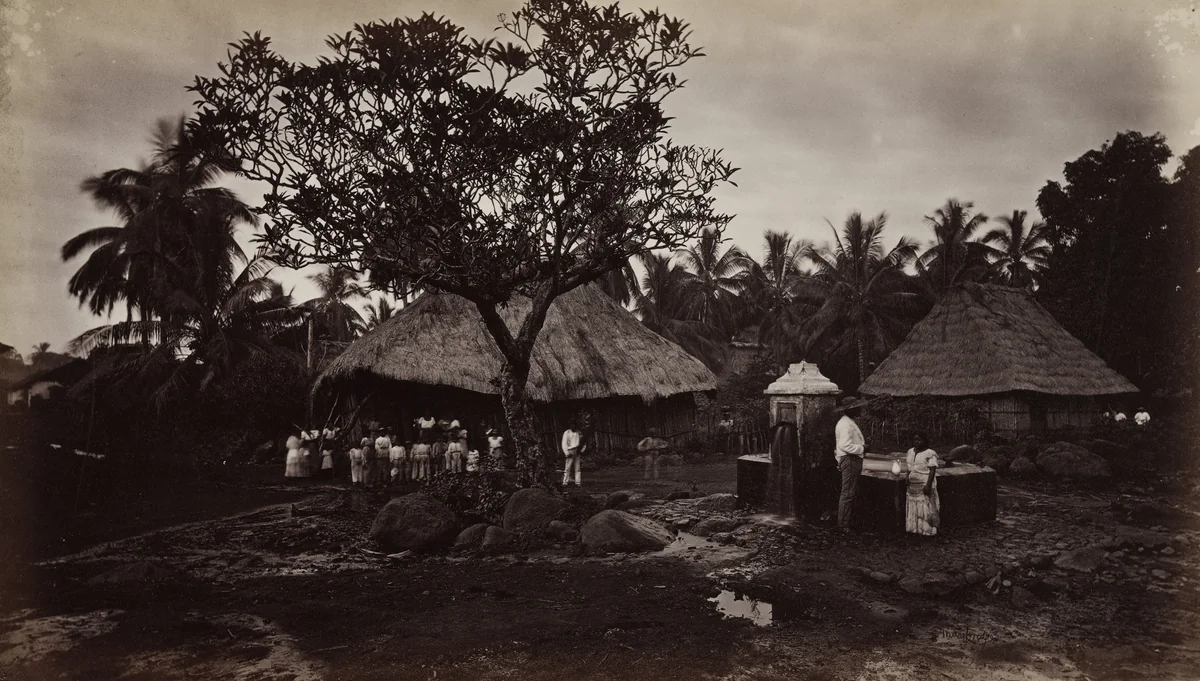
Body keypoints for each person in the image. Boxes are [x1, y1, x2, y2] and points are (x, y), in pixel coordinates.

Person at [834, 396, 867, 532]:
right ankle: (843, 524)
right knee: (847, 492)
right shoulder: (845, 425)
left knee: (850, 491)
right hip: (850, 459)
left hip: (851, 459)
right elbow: (845, 445)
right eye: (857, 408)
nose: (860, 409)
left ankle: (846, 520)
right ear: (851, 410)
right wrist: (863, 448)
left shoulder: (848, 422)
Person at [905, 432, 940, 537]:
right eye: (915, 439)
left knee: (925, 505)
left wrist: (928, 485)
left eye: (919, 440)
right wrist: (907, 477)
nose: (917, 442)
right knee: (913, 504)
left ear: (925, 441)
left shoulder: (930, 453)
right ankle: (914, 528)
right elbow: (909, 467)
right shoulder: (910, 452)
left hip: (924, 482)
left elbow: (932, 470)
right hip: (913, 484)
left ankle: (927, 530)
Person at [561, 420, 583, 487]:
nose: (573, 426)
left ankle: (578, 482)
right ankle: (565, 482)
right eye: (572, 425)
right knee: (567, 467)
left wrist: (581, 450)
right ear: (570, 425)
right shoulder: (567, 433)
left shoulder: (579, 433)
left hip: (577, 450)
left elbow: (583, 443)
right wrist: (567, 453)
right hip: (570, 450)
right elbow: (564, 443)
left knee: (578, 468)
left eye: (575, 425)